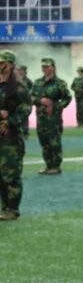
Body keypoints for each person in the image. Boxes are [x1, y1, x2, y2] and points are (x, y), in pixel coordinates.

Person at [0, 50, 33, 221]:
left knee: (11, 173)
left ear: (11, 64)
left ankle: (13, 209)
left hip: (10, 137)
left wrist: (9, 120)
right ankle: (4, 207)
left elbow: (26, 108)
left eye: (2, 63)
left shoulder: (19, 86)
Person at [30, 57, 72, 176]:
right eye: (43, 66)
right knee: (44, 142)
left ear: (52, 67)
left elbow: (67, 98)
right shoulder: (37, 82)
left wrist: (55, 106)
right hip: (41, 117)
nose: (44, 69)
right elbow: (30, 97)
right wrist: (40, 101)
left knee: (54, 142)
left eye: (47, 66)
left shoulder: (60, 83)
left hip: (54, 118)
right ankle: (48, 165)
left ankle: (55, 166)